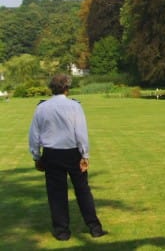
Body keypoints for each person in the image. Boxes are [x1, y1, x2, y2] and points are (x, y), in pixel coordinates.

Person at [28, 74, 107, 241]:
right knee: (83, 190)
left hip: (51, 153)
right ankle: (95, 228)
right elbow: (81, 132)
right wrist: (85, 154)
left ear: (51, 88)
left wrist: (36, 156)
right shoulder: (74, 106)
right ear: (67, 88)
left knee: (56, 194)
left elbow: (34, 135)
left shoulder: (41, 108)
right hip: (72, 152)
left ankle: (62, 231)